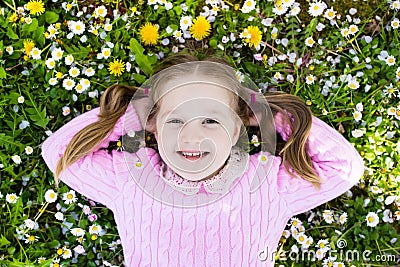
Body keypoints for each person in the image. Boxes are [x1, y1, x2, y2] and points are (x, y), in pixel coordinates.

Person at [41, 54, 364, 266]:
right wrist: (133, 117)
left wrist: (271, 117)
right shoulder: (130, 175)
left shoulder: (268, 182)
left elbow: (343, 167)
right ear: (153, 125)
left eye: (211, 120)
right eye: (175, 121)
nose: (191, 136)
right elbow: (59, 153)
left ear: (239, 126)